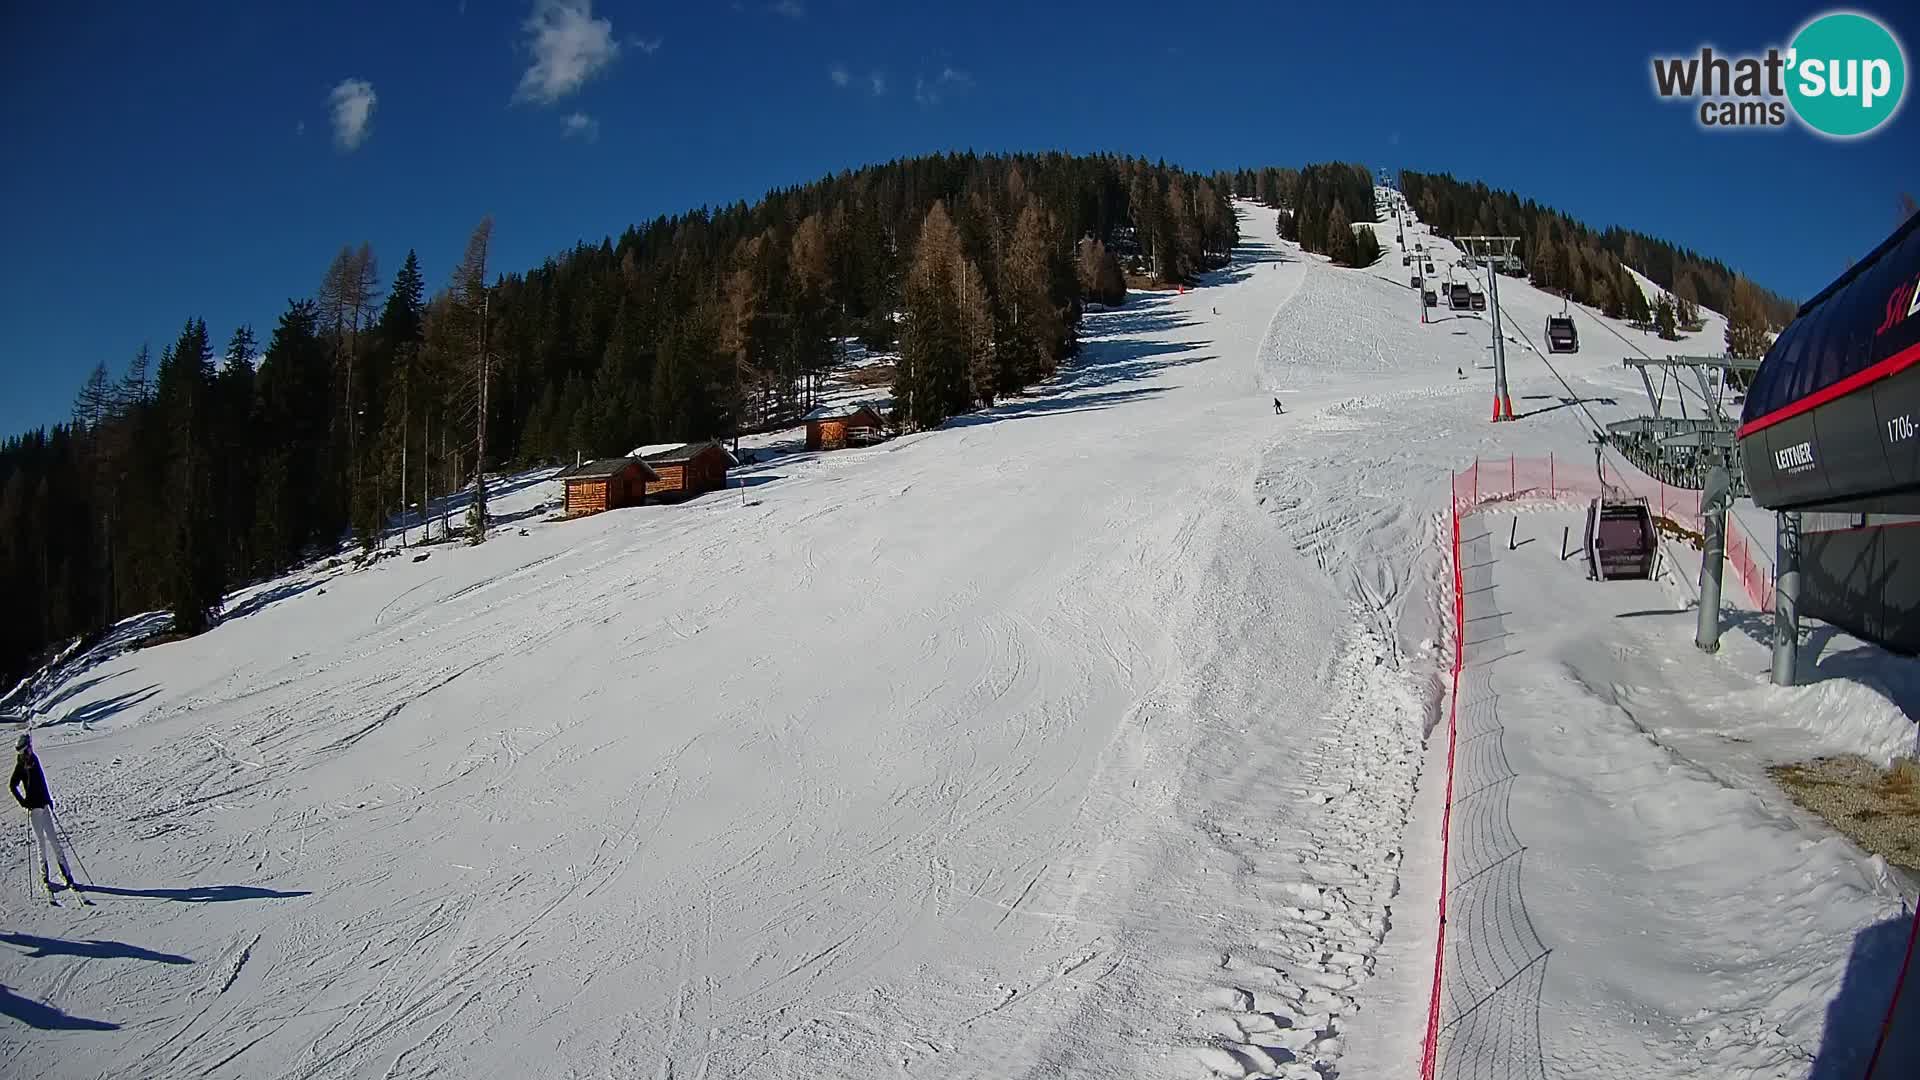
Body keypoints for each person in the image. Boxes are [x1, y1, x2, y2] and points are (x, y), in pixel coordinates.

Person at [12, 733, 75, 892]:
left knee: (54, 840)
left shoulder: (35, 760)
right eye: (28, 748)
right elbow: (12, 785)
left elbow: (42, 781)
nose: (31, 750)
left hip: (44, 806)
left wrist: (49, 800)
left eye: (31, 747)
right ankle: (45, 875)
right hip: (34, 809)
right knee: (41, 843)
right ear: (24, 750)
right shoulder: (21, 765)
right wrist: (23, 802)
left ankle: (67, 874)